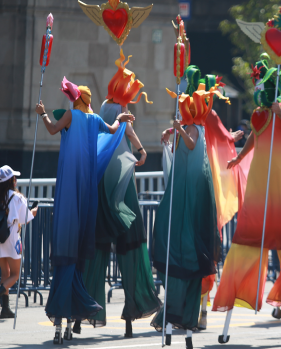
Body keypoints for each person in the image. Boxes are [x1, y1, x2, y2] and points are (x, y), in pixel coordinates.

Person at [212, 55, 281, 345]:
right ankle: (236, 298)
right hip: (259, 184)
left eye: (262, 83)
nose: (259, 88)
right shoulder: (258, 113)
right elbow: (255, 135)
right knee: (249, 237)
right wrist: (240, 156)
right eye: (257, 82)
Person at [40, 77, 134, 344]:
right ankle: (69, 319)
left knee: (65, 249)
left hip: (70, 189)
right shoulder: (93, 120)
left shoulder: (71, 115)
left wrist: (42, 113)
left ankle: (62, 320)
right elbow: (113, 127)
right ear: (89, 100)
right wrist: (124, 118)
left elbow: (51, 129)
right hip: (86, 192)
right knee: (77, 251)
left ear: (75, 99)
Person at [76, 49, 161, 337]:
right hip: (124, 187)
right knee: (131, 251)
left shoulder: (103, 107)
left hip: (102, 185)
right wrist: (141, 150)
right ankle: (129, 319)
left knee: (97, 251)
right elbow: (130, 136)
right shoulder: (123, 112)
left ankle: (81, 314)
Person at [152, 83, 220, 349]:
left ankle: (181, 326)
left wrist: (177, 129)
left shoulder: (193, 129)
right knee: (183, 272)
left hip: (188, 203)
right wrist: (172, 132)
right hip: (187, 200)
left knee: (186, 268)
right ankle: (177, 327)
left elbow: (190, 144)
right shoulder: (197, 128)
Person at [0, 166, 37, 318]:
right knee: (15, 274)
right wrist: (35, 209)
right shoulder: (17, 198)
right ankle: (2, 293)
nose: (16, 180)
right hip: (12, 239)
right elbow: (25, 219)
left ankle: (5, 308)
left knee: (5, 273)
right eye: (14, 178)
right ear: (10, 181)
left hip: (0, 240)